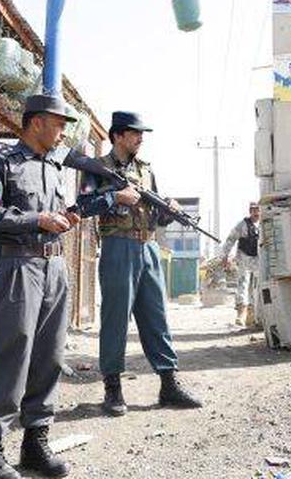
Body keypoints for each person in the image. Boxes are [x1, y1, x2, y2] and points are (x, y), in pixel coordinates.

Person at [0, 94, 104, 479]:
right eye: (59, 123)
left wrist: (65, 218)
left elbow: (53, 216)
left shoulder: (54, 167)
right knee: (11, 352)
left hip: (56, 266)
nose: (64, 132)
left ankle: (35, 443)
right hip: (20, 264)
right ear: (36, 123)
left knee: (50, 354)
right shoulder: (2, 163)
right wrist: (38, 219)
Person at [82, 111, 203, 418]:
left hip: (148, 246)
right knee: (115, 319)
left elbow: (155, 212)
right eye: (135, 133)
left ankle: (168, 384)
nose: (141, 138)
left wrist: (170, 209)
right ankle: (113, 389)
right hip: (117, 247)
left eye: (141, 134)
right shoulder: (98, 168)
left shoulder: (146, 171)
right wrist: (115, 198)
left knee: (156, 317)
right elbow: (83, 206)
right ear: (118, 136)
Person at [221, 202, 261, 327]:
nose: (256, 213)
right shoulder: (243, 225)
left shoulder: (264, 224)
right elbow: (231, 239)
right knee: (242, 285)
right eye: (253, 210)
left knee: (257, 287)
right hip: (244, 258)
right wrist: (225, 255)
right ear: (250, 211)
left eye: (258, 210)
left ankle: (253, 315)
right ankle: (241, 314)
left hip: (258, 260)